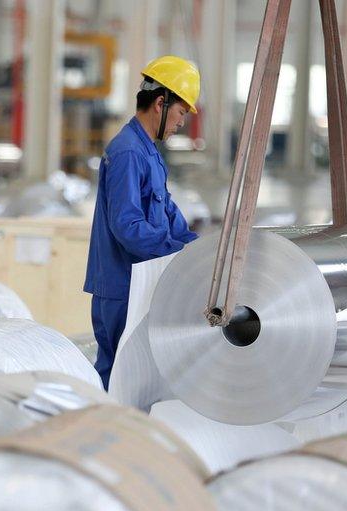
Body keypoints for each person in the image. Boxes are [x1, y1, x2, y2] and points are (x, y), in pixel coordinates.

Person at [83, 55, 200, 389]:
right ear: (160, 103)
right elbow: (128, 226)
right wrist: (175, 250)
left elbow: (168, 214)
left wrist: (198, 248)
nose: (182, 123)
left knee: (139, 380)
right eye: (180, 112)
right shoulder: (129, 152)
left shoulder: (148, 152)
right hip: (121, 289)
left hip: (138, 285)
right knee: (119, 378)